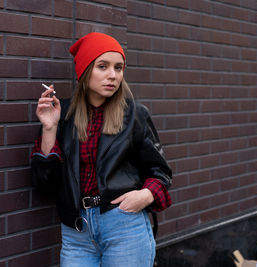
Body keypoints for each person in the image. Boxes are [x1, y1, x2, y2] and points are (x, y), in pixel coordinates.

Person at [31, 32, 172, 267]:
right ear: (85, 71)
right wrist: (49, 128)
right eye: (103, 66)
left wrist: (143, 196)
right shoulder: (63, 115)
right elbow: (45, 183)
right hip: (76, 232)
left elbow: (160, 172)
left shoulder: (135, 115)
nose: (112, 75)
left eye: (118, 68)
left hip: (123, 224)